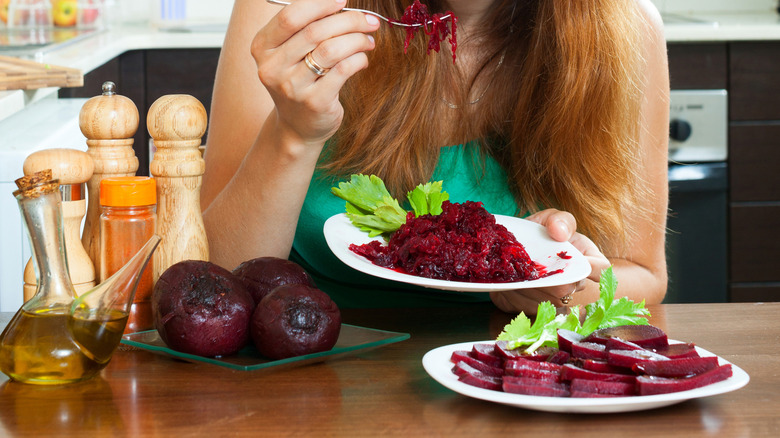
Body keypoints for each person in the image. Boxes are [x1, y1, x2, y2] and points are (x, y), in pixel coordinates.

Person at [200, 0, 670, 313]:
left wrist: (564, 287)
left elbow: (643, 275)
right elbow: (215, 279)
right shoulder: (288, 11)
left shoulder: (625, 26)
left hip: (509, 381)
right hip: (308, 372)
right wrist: (293, 134)